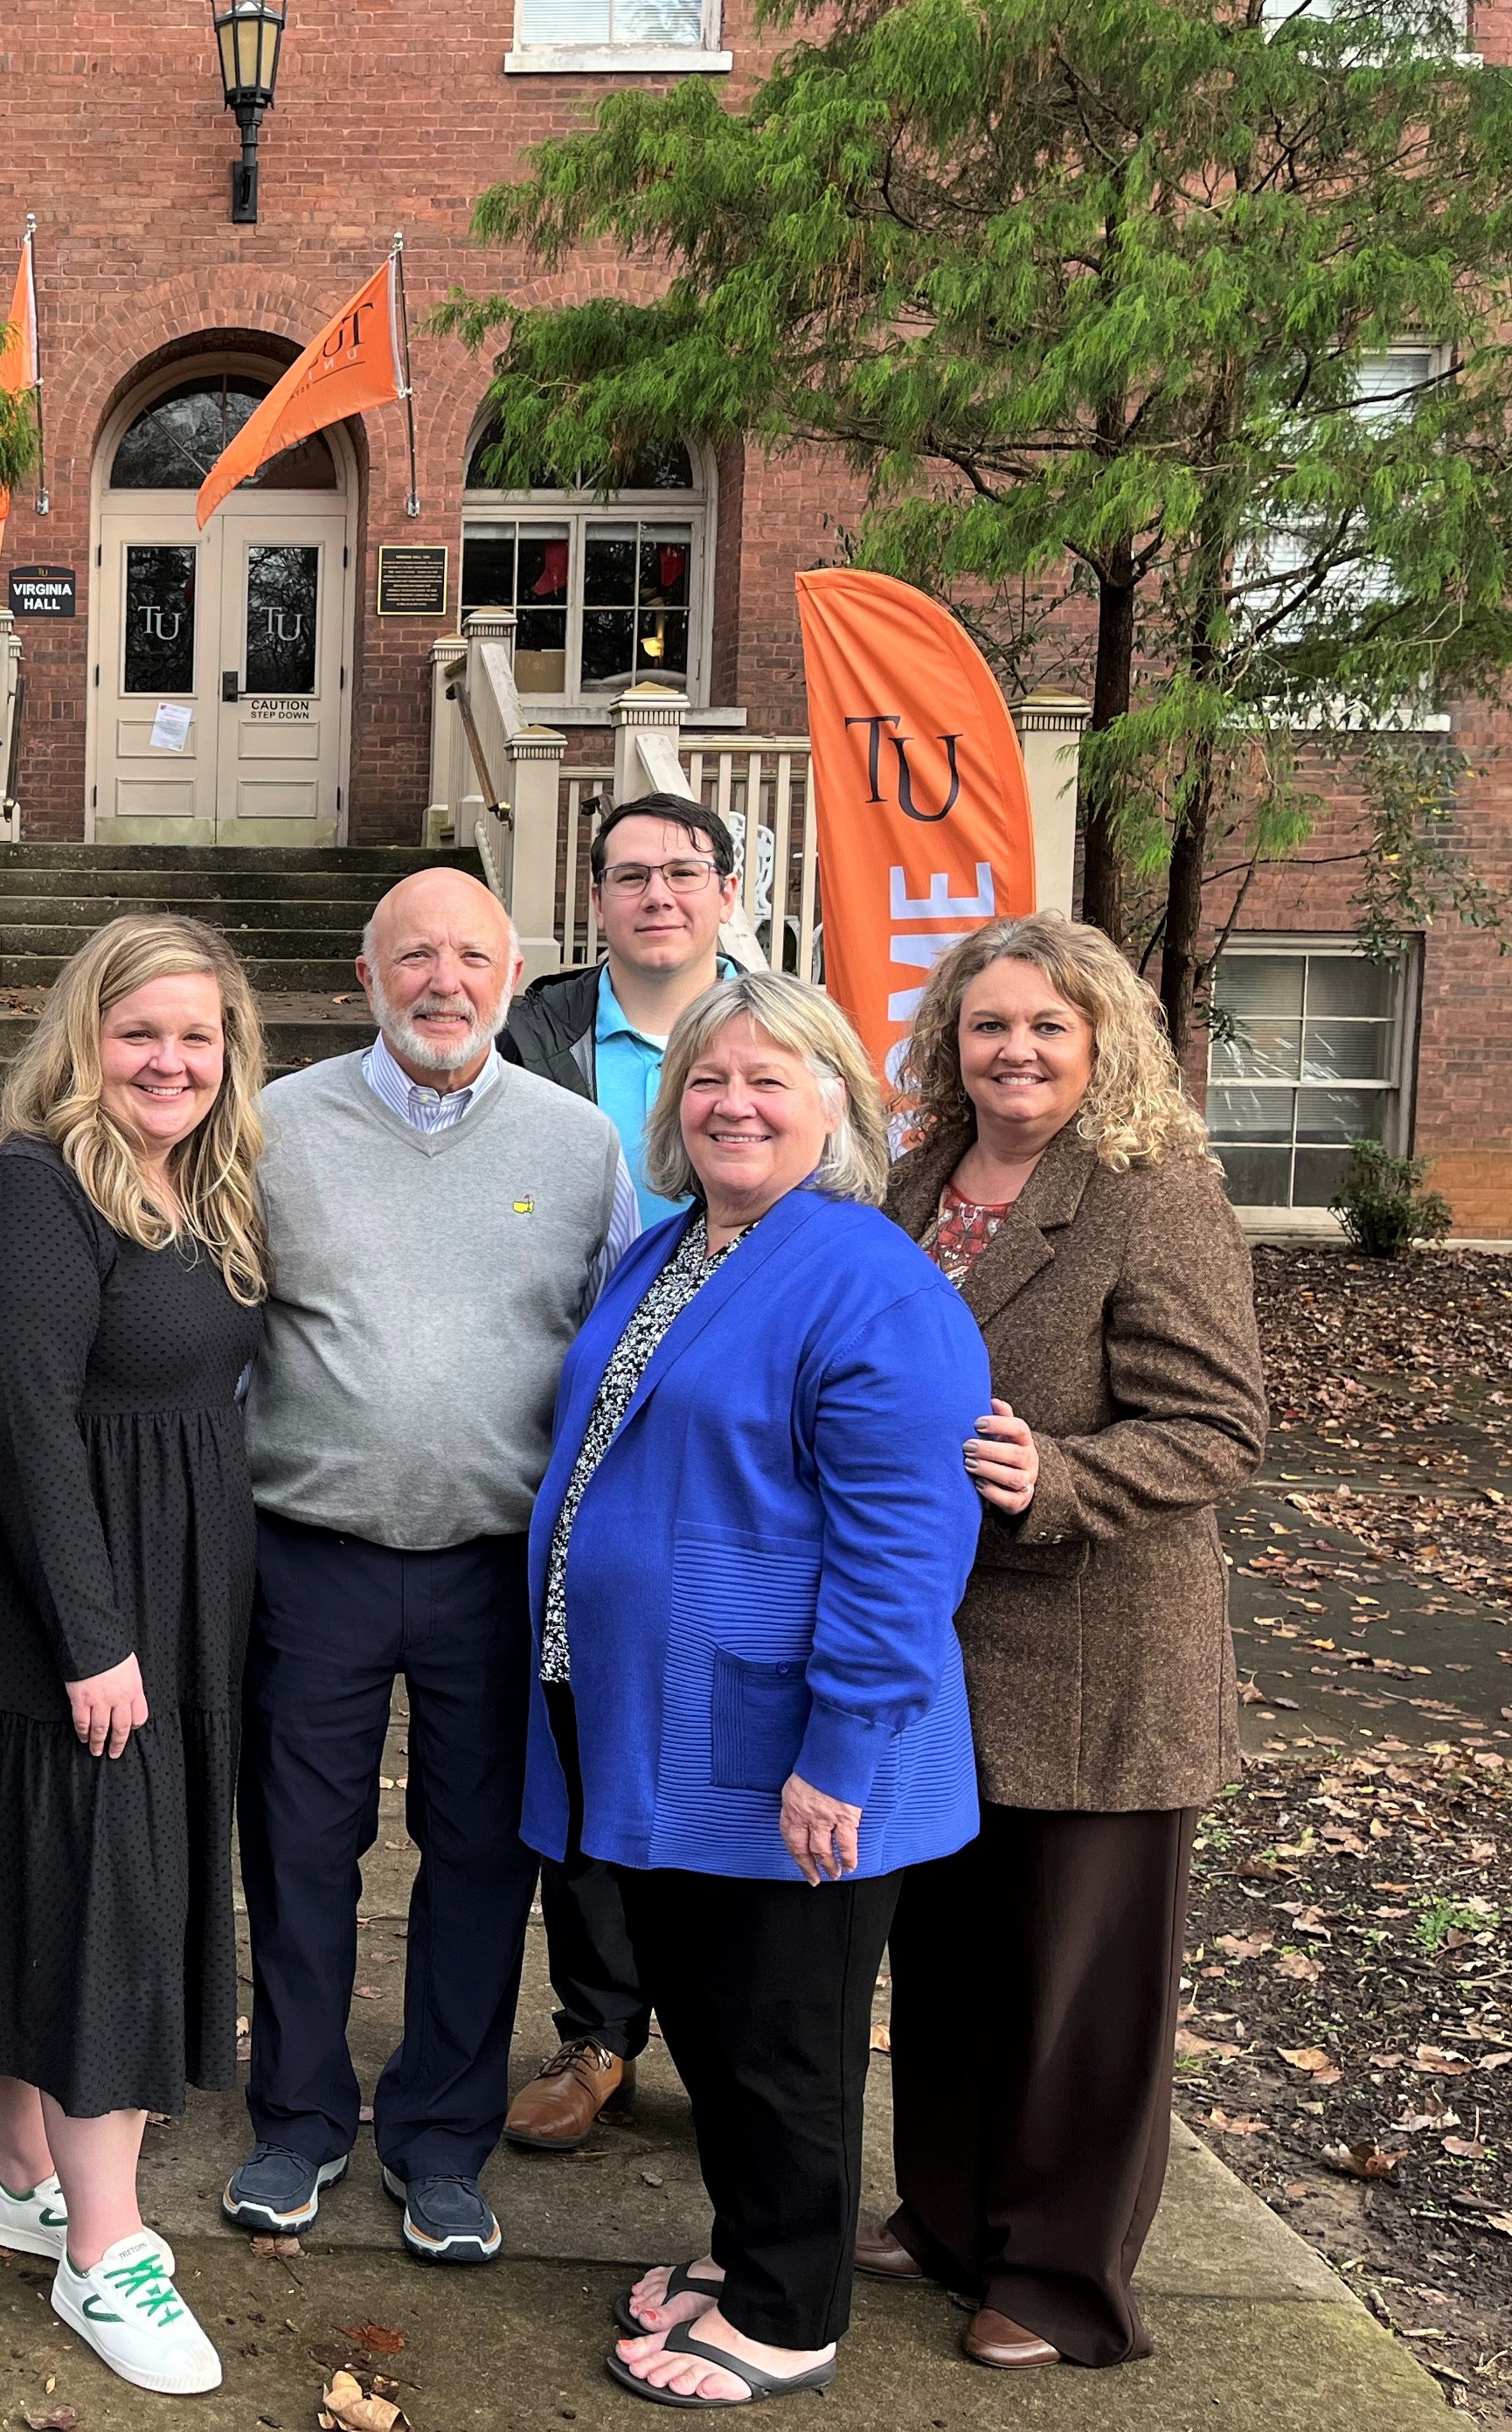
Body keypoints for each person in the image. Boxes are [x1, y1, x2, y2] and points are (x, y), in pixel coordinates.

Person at [531, 971, 990, 2408]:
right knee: (715, 2018)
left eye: (769, 1081)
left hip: (785, 1736)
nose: (732, 1104)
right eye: (708, 1082)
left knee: (782, 2040)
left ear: (835, 1104)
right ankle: (744, 2252)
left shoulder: (869, 1281)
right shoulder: (679, 1246)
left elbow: (906, 1545)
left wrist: (842, 1749)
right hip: (661, 1721)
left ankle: (790, 2312)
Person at [0, 914, 270, 2397]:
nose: (171, 1060)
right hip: (65, 1610)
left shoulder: (200, 1186)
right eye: (140, 1031)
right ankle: (106, 2250)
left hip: (170, 1591)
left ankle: (23, 2175)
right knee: (113, 1910)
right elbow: (24, 1431)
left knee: (76, 1883)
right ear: (83, 1039)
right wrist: (97, 1638)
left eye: (197, 1035)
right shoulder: (31, 1192)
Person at [861, 914, 1266, 2371]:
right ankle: (953, 2214)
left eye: (1045, 1026)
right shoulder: (919, 1181)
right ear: (948, 1044)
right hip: (940, 1648)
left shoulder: (1148, 1194)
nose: (1014, 1050)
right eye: (988, 1026)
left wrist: (1065, 1478)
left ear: (1101, 1040)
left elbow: (1218, 1426)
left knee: (1079, 1993)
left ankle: (1061, 2277)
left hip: (1101, 1655)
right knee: (956, 1958)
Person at [222, 866, 635, 2268]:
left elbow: (618, 1356)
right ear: (366, 974)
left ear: (513, 977)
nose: (442, 981)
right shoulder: (274, 1130)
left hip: (496, 1573)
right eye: (414, 956)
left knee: (480, 1860)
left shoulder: (581, 1148)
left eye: (471, 956)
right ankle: (296, 2120)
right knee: (296, 1852)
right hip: (312, 1556)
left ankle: (442, 2140)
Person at [494, 790, 742, 2153]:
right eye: (630, 875)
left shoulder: (779, 1038)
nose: (658, 895)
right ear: (596, 900)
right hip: (578, 1429)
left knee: (713, 1732)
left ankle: (720, 2031)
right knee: (580, 1726)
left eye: (683, 872)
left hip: (734, 1437)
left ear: (726, 891)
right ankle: (598, 2033)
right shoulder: (535, 1034)